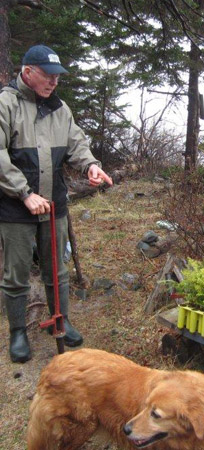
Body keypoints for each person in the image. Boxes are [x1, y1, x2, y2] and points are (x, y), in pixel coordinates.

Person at [0, 45, 113, 363]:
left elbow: (76, 141)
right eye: (47, 75)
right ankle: (18, 332)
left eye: (57, 77)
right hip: (14, 207)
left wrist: (89, 164)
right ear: (28, 72)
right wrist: (23, 192)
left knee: (56, 269)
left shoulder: (60, 108)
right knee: (16, 273)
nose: (53, 82)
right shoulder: (6, 103)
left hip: (54, 205)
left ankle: (60, 319)